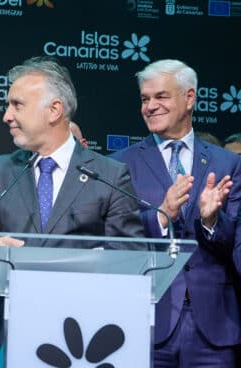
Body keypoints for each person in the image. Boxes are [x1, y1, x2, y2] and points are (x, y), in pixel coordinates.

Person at [0, 56, 145, 366]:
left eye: (17, 105)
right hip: (3, 335)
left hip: (81, 335)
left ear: (54, 110)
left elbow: (128, 258)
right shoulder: (1, 170)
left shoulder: (109, 175)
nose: (6, 116)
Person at [110, 59, 241, 367]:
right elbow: (116, 239)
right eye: (145, 99)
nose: (150, 106)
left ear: (190, 98)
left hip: (214, 326)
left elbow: (234, 243)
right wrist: (161, 215)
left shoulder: (228, 164)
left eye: (161, 96)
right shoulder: (120, 165)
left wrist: (211, 221)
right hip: (148, 321)